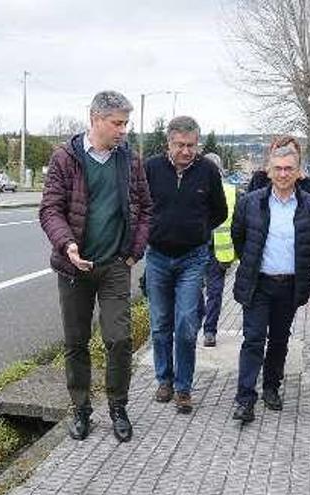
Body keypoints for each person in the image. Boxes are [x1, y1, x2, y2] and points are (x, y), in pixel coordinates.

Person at [39, 90, 152, 442]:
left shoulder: (129, 160)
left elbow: (146, 208)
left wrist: (135, 251)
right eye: (117, 123)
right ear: (95, 119)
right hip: (74, 269)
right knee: (76, 341)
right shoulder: (65, 158)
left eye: (125, 124)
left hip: (115, 264)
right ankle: (82, 410)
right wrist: (67, 244)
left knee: (119, 339)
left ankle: (118, 406)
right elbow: (50, 209)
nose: (123, 130)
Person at [230, 141, 310, 424]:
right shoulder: (251, 202)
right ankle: (245, 398)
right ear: (269, 171)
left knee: (279, 339)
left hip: (290, 285)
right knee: (253, 338)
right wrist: (249, 262)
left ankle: (272, 387)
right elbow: (239, 237)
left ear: (299, 173)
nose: (283, 174)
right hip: (258, 283)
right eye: (278, 169)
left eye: (289, 169)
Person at [145, 116, 228, 414]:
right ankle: (163, 379)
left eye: (191, 145)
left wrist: (198, 229)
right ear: (168, 143)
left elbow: (219, 211)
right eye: (180, 145)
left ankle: (183, 387)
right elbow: (140, 207)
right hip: (157, 257)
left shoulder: (207, 171)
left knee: (186, 324)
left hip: (193, 259)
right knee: (160, 323)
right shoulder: (151, 168)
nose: (186, 151)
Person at [196, 152, 237, 347]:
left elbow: (237, 226)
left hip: (219, 252)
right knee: (195, 290)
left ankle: (210, 331)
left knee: (215, 292)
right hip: (195, 249)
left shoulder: (231, 191)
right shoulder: (194, 187)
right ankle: (198, 320)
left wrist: (234, 255)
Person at [246, 135, 310, 197]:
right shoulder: (259, 179)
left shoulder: (308, 186)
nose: (285, 156)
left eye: (290, 152)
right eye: (280, 152)